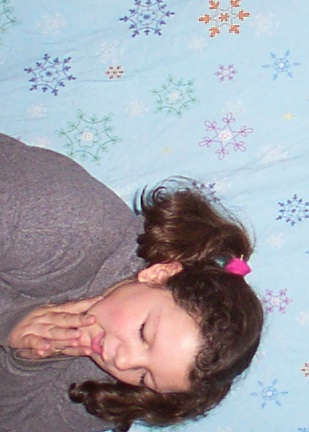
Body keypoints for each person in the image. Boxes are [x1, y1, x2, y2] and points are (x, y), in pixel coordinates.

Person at [0, 133, 264, 432]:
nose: (123, 362)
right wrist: (8, 319)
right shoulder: (72, 226)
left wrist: (26, 361)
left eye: (143, 377)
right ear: (160, 274)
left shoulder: (109, 393)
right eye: (143, 333)